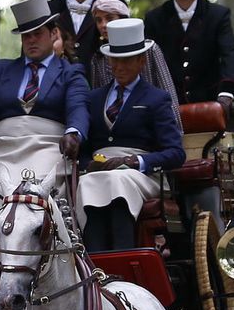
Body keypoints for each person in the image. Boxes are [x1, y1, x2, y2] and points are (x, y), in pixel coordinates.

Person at [0, 0, 90, 227]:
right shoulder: (2, 69)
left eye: (38, 34)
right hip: (3, 146)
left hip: (48, 145)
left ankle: (44, 244)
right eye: (26, 36)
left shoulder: (70, 72)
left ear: (54, 34)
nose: (31, 40)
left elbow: (78, 108)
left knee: (39, 187)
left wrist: (74, 132)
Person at [77, 18, 185, 251]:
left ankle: (123, 257)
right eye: (114, 60)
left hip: (141, 174)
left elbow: (176, 153)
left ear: (142, 61)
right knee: (87, 182)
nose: (119, 67)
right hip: (100, 172)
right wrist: (89, 165)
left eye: (126, 61)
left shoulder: (156, 98)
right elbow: (84, 151)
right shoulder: (94, 98)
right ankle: (94, 265)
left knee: (117, 180)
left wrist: (134, 161)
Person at [143, 0, 234, 109]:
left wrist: (226, 94)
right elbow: (147, 64)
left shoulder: (218, 16)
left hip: (210, 104)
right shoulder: (154, 18)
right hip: (167, 107)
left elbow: (229, 55)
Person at [88, 0, 176, 96]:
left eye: (109, 18)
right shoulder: (98, 57)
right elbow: (98, 98)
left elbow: (168, 92)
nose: (103, 25)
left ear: (123, 19)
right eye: (99, 20)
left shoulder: (150, 49)